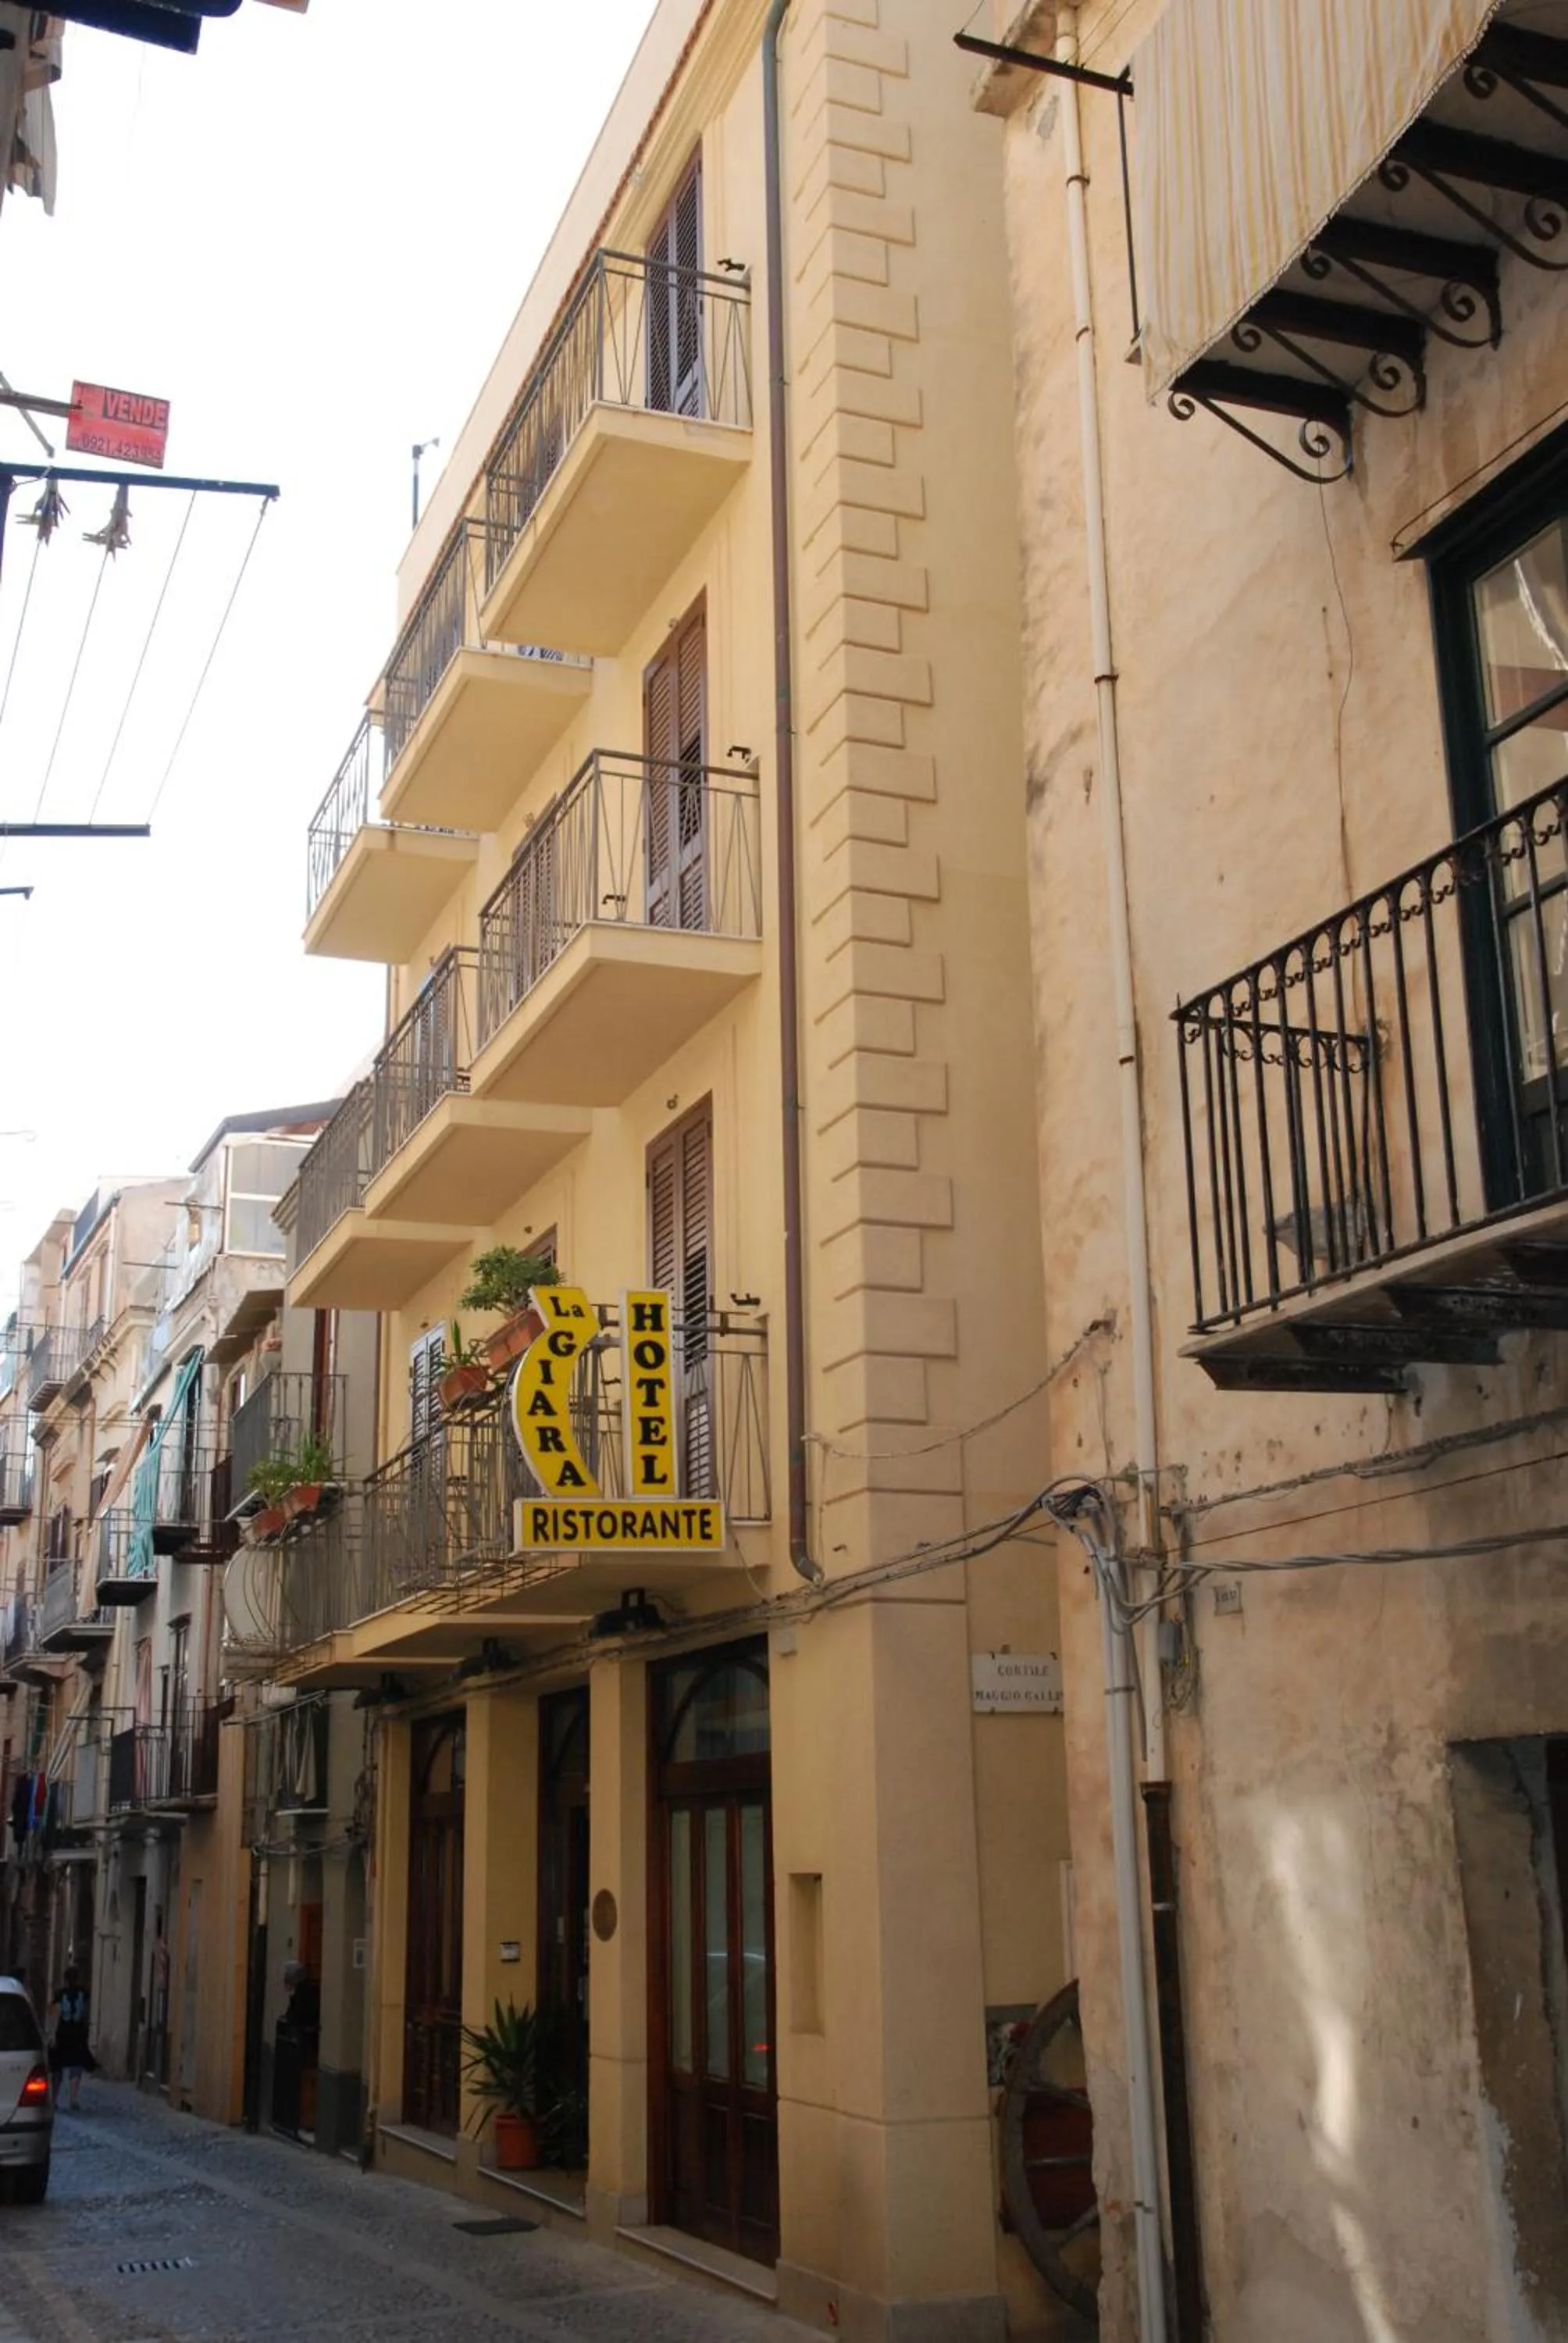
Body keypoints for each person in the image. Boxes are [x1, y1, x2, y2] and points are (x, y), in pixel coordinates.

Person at [51, 1964, 93, 2109]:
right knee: (76, 2066)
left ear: (65, 1979)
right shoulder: (84, 1993)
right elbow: (86, 2013)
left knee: (57, 2068)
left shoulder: (60, 1995)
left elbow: (55, 2015)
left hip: (62, 2034)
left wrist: (52, 2035)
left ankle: (54, 2099)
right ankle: (73, 2099)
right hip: (78, 2034)